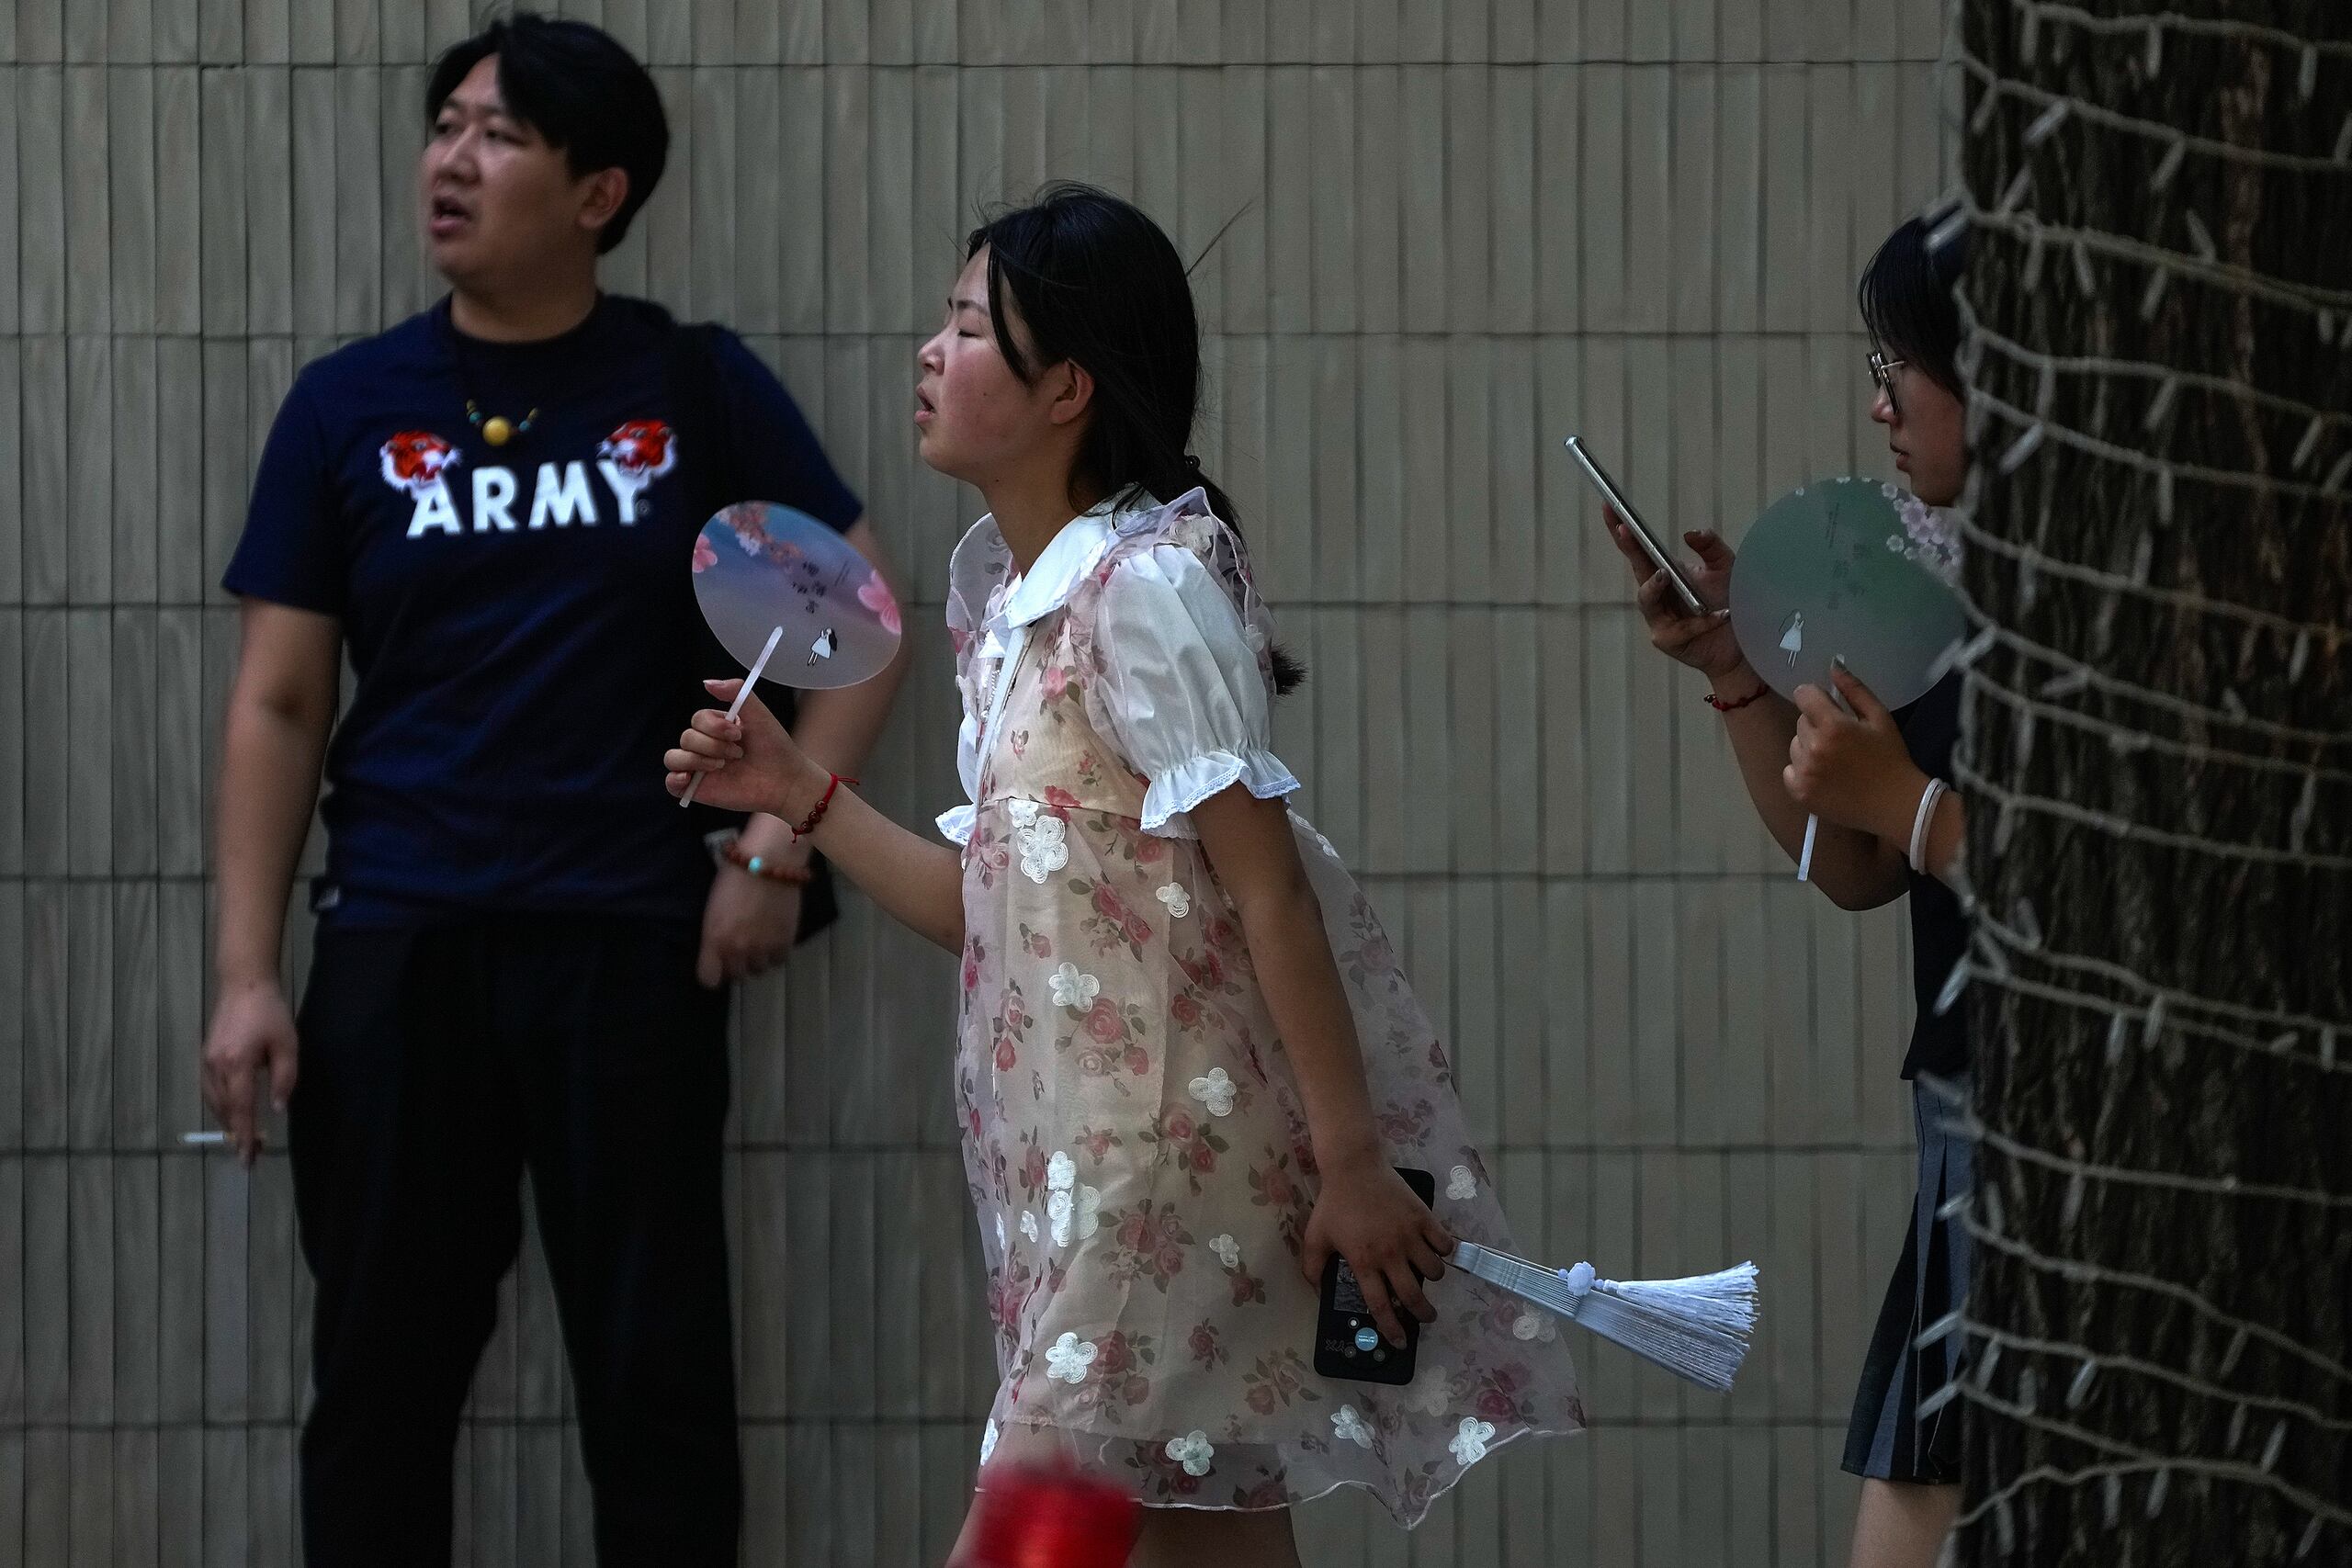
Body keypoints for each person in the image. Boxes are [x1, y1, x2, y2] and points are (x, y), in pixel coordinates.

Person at [665, 184, 1583, 1567]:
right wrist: (801, 798)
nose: (928, 351)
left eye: (967, 326)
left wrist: (1349, 1163)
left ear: (1067, 389)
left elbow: (1269, 889)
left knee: (1033, 1531)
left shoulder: (1143, 590)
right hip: (1086, 1178)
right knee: (1220, 1540)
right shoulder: (1013, 614)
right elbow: (991, 914)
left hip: (1154, 1186)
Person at [198, 14, 907, 1564]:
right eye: (445, 125)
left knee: (657, 1387)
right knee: (378, 1386)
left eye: (500, 134)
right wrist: (248, 976)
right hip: (399, 942)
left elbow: (859, 631)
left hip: (630, 944)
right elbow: (280, 700)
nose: (451, 160)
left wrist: (775, 845)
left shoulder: (692, 384)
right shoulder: (348, 405)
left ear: (599, 192)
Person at [1611, 209, 1972, 1568]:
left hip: (2073, 1135)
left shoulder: (2110, 610)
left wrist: (1915, 805)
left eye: (1902, 366)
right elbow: (1857, 868)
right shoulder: (1945, 583)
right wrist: (1737, 675)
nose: (1881, 405)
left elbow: (2120, 897)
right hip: (1966, 1111)